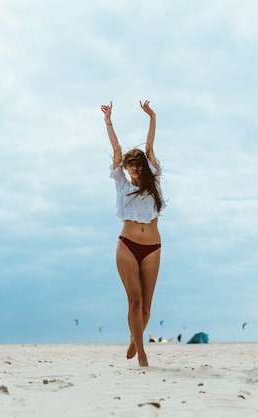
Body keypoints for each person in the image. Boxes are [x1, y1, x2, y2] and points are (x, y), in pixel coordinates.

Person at [101, 100, 166, 367]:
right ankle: (142, 354)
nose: (134, 169)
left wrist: (152, 117)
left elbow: (149, 147)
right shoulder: (121, 183)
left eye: (138, 166)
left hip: (152, 247)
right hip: (127, 245)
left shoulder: (155, 181)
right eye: (131, 166)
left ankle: (134, 339)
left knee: (147, 308)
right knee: (135, 301)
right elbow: (115, 150)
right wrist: (108, 122)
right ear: (126, 168)